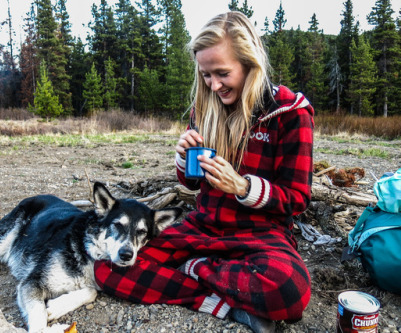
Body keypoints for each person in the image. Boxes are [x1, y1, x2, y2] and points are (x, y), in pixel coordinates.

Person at [94, 11, 314, 333]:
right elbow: (192, 183)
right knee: (108, 269)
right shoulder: (206, 107)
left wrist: (242, 187)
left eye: (222, 73)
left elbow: (296, 199)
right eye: (206, 75)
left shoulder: (289, 112)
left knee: (289, 291)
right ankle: (223, 303)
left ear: (249, 63)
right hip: (203, 228)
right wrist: (183, 159)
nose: (214, 85)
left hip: (261, 234)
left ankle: (194, 269)